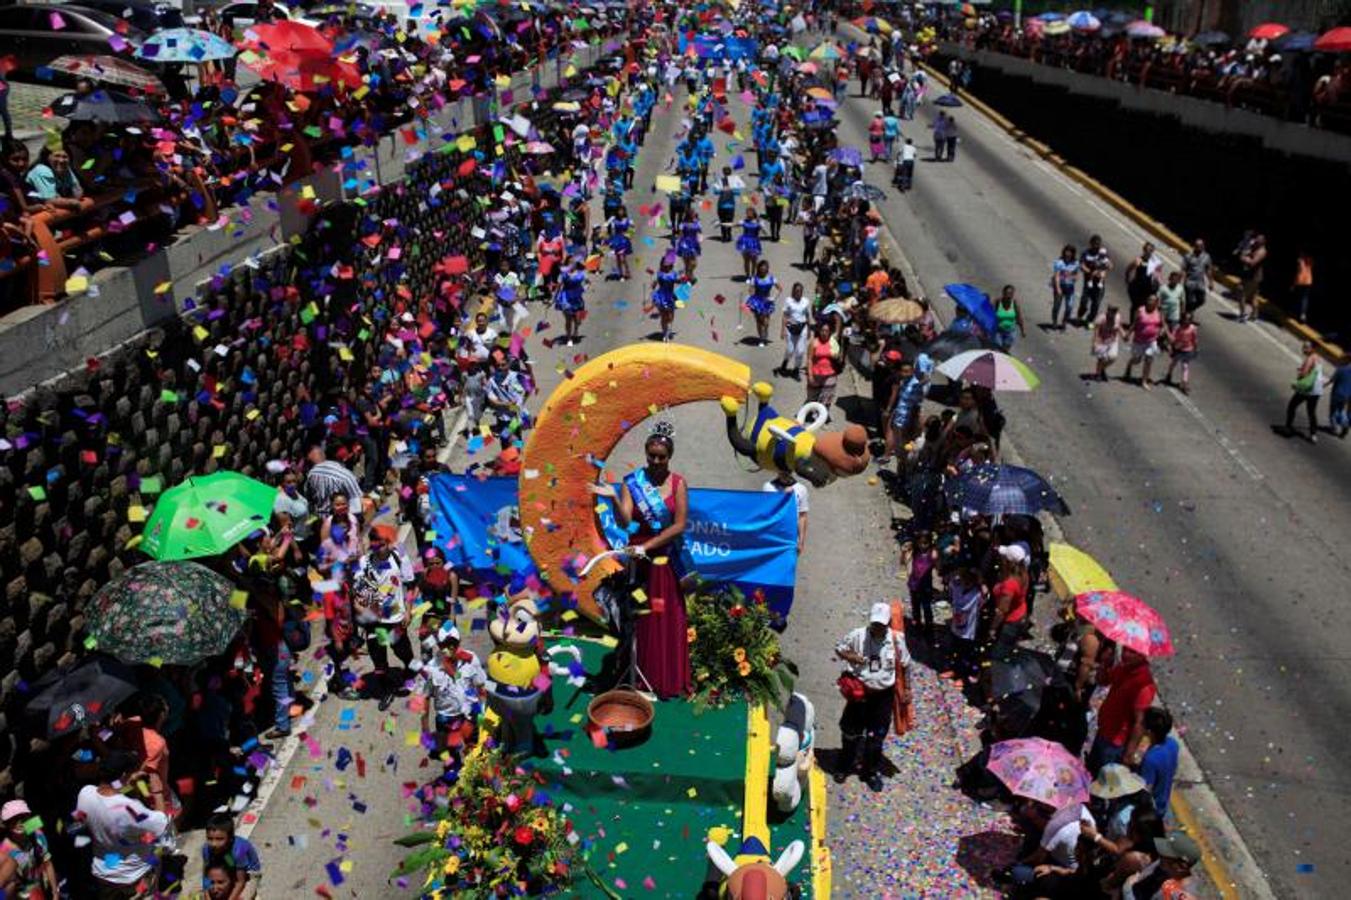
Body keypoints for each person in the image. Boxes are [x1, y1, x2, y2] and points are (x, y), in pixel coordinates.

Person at [601, 423, 693, 700]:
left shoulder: (678, 483)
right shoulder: (632, 482)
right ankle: (639, 675)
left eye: (661, 456)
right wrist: (614, 499)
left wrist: (648, 546)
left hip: (664, 561)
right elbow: (625, 522)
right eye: (651, 455)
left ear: (669, 456)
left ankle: (665, 677)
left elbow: (679, 526)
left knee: (664, 616)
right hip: (638, 563)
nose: (655, 461)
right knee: (641, 618)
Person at [834, 601, 912, 791]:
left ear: (887, 624)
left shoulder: (896, 639)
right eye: (874, 624)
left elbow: (906, 664)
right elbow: (839, 648)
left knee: (876, 737)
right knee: (850, 732)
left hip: (883, 696)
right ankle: (845, 765)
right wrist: (850, 657)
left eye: (881, 625)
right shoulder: (858, 635)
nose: (877, 628)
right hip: (860, 694)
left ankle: (870, 771)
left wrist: (907, 689)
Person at [76, 750, 171, 898]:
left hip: (103, 874)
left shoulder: (85, 793)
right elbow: (161, 823)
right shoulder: (129, 808)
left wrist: (128, 783)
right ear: (123, 775)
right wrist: (158, 792)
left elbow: (109, 798)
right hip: (133, 876)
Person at [350, 523, 417, 711]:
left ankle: (408, 668)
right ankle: (386, 690)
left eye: (381, 543)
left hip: (395, 618)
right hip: (375, 622)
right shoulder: (364, 562)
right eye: (374, 543)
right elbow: (357, 590)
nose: (377, 547)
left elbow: (411, 586)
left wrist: (409, 610)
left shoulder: (400, 557)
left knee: (402, 650)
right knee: (378, 656)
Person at [417, 622, 486, 763]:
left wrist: (483, 714)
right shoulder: (431, 669)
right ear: (439, 645)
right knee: (450, 756)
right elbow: (424, 699)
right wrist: (425, 730)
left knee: (475, 752)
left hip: (470, 714)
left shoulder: (471, 659)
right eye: (445, 644)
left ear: (459, 642)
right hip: (446, 718)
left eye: (453, 643)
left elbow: (482, 687)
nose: (451, 648)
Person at [1089, 646, 1157, 774]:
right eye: (1125, 649)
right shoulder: (1123, 668)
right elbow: (1102, 681)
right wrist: (1105, 664)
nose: (1125, 654)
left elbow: (1140, 722)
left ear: (1143, 655)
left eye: (1132, 651)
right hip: (1103, 730)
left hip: (1116, 742)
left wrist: (1129, 753)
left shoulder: (1144, 685)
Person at [0, 798, 59, 900]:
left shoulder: (37, 833)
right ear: (6, 823)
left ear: (29, 817)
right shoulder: (4, 849)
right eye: (13, 819)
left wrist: (55, 893)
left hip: (39, 888)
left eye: (23, 817)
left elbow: (48, 862)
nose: (18, 822)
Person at [1121, 833, 1201, 900]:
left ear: (1180, 867)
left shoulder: (1179, 895)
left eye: (1166, 855)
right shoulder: (1169, 868)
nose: (1161, 855)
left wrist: (1127, 889)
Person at [201, 814, 261, 900]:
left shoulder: (238, 851)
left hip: (248, 874)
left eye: (219, 839)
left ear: (230, 839)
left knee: (242, 897)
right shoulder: (206, 849)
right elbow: (206, 874)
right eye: (210, 838)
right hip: (226, 866)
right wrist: (207, 896)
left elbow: (240, 881)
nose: (214, 844)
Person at [987, 544, 1029, 662]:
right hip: (1021, 613)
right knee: (1008, 648)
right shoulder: (1023, 572)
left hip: (1010, 622)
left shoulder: (1009, 584)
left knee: (997, 654)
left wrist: (993, 628)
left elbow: (1002, 610)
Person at [1138, 707, 1179, 818]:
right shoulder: (1173, 744)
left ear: (1149, 732)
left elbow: (1145, 790)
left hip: (1152, 809)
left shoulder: (1150, 759)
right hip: (1163, 800)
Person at [1122, 293, 1165, 390]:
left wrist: (1162, 332)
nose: (1150, 302)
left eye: (1153, 300)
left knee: (1149, 360)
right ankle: (1129, 365)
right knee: (1137, 360)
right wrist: (1127, 334)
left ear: (1156, 303)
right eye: (1149, 299)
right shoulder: (1140, 310)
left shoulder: (1159, 312)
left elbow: (1162, 324)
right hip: (1139, 340)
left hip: (1151, 341)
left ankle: (1144, 381)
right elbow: (1134, 324)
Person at [1284, 341, 1324, 442]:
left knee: (1291, 406)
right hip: (1316, 390)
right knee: (1311, 412)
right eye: (1303, 347)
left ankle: (1288, 427)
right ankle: (1313, 434)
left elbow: (1304, 374)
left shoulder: (1310, 359)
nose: (1304, 349)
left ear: (1312, 349)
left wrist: (1299, 375)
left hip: (1306, 389)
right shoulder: (1318, 359)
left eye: (1306, 348)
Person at [901, 531, 937, 642]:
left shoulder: (932, 554)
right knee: (915, 606)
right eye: (920, 543)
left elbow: (938, 565)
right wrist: (904, 552)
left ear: (930, 543)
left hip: (926, 586)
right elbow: (903, 562)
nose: (922, 545)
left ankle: (929, 629)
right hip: (914, 584)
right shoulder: (914, 552)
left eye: (925, 543)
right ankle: (917, 625)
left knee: (927, 608)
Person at [763, 470, 808, 555]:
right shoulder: (768, 487)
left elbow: (802, 516)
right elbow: (766, 511)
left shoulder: (801, 489)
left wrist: (801, 541)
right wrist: (783, 496)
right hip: (772, 536)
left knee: (788, 566)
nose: (784, 472)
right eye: (781, 469)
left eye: (787, 470)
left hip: (790, 538)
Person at [806, 321, 843, 419]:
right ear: (819, 331)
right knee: (812, 396)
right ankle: (812, 412)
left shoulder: (833, 342)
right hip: (816, 373)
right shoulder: (814, 343)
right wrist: (809, 375)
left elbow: (839, 357)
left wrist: (836, 356)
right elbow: (809, 359)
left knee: (827, 396)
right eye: (822, 330)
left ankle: (821, 416)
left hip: (830, 374)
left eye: (826, 331)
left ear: (830, 332)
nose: (824, 333)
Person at [776, 282, 812, 379]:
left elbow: (807, 315)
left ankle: (796, 369)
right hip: (790, 328)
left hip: (802, 328)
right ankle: (785, 361)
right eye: (796, 291)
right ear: (793, 291)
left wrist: (809, 329)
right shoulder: (788, 301)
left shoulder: (805, 301)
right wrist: (782, 330)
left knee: (800, 351)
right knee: (790, 350)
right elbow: (785, 316)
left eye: (800, 291)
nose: (798, 293)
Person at [745, 259, 781, 346]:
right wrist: (750, 293)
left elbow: (780, 289)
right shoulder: (755, 279)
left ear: (767, 269)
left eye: (765, 269)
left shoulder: (771, 278)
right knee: (759, 320)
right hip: (757, 302)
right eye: (761, 269)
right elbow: (751, 290)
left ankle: (765, 331)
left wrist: (774, 298)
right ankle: (761, 339)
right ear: (759, 269)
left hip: (767, 301)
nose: (763, 270)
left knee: (766, 322)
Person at [1078, 234, 1112, 326]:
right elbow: (1081, 264)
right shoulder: (1086, 253)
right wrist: (1089, 271)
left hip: (1099, 284)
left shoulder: (1103, 253)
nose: (1097, 246)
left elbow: (1110, 265)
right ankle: (1080, 314)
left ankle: (1090, 319)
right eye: (1095, 244)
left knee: (1096, 303)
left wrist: (1107, 266)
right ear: (1091, 244)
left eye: (1098, 244)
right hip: (1088, 282)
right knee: (1084, 302)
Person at [553, 258, 587, 345]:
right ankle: (569, 338)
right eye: (570, 263)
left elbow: (587, 282)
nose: (571, 264)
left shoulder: (581, 274)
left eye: (573, 263)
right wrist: (554, 297)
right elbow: (559, 286)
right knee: (568, 319)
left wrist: (584, 288)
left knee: (577, 319)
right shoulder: (563, 274)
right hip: (566, 299)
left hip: (577, 298)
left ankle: (576, 330)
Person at [1162, 312, 1199, 394]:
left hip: (1187, 350)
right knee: (1173, 363)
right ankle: (1169, 374)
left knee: (1185, 366)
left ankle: (1184, 382)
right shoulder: (1178, 327)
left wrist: (1195, 349)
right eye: (1185, 319)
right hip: (1178, 349)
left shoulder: (1193, 328)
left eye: (1189, 320)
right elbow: (1172, 337)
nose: (1187, 322)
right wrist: (1171, 345)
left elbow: (1194, 340)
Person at [1124, 242, 1162, 320]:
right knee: (1136, 305)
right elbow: (1129, 269)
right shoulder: (1139, 260)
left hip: (1148, 288)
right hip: (1137, 287)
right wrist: (1128, 280)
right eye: (1147, 250)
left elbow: (1158, 275)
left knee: (1146, 306)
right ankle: (1132, 323)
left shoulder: (1155, 262)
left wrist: (1158, 284)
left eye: (1150, 250)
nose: (1148, 252)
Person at [1091, 305, 1128, 382]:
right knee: (1102, 358)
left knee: (1113, 357)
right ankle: (1098, 374)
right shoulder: (1102, 318)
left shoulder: (1117, 317)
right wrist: (1095, 342)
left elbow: (1119, 327)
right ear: (1108, 310)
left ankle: (1102, 369)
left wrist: (1123, 335)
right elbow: (1096, 330)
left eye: (1115, 311)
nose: (1113, 313)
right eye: (1111, 311)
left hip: (1113, 340)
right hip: (1102, 340)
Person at [1236, 231, 1266, 322]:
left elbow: (1253, 263)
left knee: (1241, 294)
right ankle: (1254, 315)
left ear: (1263, 242)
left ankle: (1242, 315)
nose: (1256, 240)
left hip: (1253, 277)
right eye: (1256, 239)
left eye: (1258, 240)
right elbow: (1247, 251)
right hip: (1250, 275)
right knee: (1254, 296)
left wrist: (1244, 258)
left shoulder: (1262, 251)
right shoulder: (1255, 247)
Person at [650, 257, 680, 342]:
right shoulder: (660, 274)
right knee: (664, 316)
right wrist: (653, 284)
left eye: (668, 263)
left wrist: (682, 280)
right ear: (662, 264)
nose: (666, 265)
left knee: (670, 316)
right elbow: (655, 283)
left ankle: (668, 328)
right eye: (665, 263)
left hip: (670, 296)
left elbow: (677, 281)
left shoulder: (674, 273)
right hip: (661, 296)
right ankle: (665, 333)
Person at [1050, 244, 1080, 329]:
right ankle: (1054, 321)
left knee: (1069, 307)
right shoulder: (1059, 263)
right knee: (1056, 306)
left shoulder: (1075, 263)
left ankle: (1064, 321)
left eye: (1070, 252)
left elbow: (1077, 275)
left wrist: (1072, 277)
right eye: (1067, 251)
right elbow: (1056, 276)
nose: (1068, 253)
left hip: (1070, 287)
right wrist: (1058, 288)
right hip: (1060, 286)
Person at [1180, 238, 1213, 314]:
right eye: (1197, 246)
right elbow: (1183, 269)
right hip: (1190, 282)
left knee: (1201, 300)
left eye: (1201, 246)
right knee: (1190, 301)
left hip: (1200, 283)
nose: (1199, 247)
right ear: (1194, 246)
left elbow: (1208, 270)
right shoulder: (1188, 256)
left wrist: (1211, 282)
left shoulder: (1207, 257)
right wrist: (1183, 280)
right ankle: (1187, 317)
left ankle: (1187, 311)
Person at [992, 284, 1025, 352]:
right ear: (1003, 293)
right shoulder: (998, 302)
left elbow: (1019, 318)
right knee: (997, 350)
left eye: (1010, 294)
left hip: (1010, 332)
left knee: (1005, 351)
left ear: (1013, 294)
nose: (1008, 296)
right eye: (1006, 293)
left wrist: (1022, 331)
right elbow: (990, 314)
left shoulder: (1015, 303)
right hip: (998, 331)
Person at [675, 207, 702, 281]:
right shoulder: (683, 224)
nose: (694, 214)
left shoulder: (697, 222)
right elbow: (680, 234)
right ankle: (689, 277)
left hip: (694, 243)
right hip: (685, 244)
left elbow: (700, 231)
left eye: (694, 213)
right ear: (689, 215)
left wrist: (700, 238)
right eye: (693, 213)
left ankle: (689, 274)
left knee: (694, 263)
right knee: (687, 262)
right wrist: (678, 243)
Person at [736, 207, 763, 280]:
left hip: (754, 242)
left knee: (754, 261)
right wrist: (721, 224)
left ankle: (753, 276)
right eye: (747, 212)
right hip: (745, 242)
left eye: (749, 212)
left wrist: (761, 226)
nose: (748, 214)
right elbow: (733, 225)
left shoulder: (758, 222)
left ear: (753, 213)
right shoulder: (744, 221)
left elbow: (765, 232)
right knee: (746, 260)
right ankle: (747, 276)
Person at [1329, 353, 1351, 439]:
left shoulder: (1341, 369)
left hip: (1337, 394)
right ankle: (1345, 425)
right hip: (1347, 395)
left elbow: (1332, 380)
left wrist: (1322, 386)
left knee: (1333, 411)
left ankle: (1334, 427)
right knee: (1342, 411)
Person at [1291, 248, 1314, 322]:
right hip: (1308, 281)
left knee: (1297, 297)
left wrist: (1293, 284)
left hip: (1300, 281)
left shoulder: (1300, 260)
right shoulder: (1310, 260)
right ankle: (1303, 315)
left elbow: (1299, 272)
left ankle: (1295, 313)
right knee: (1304, 298)